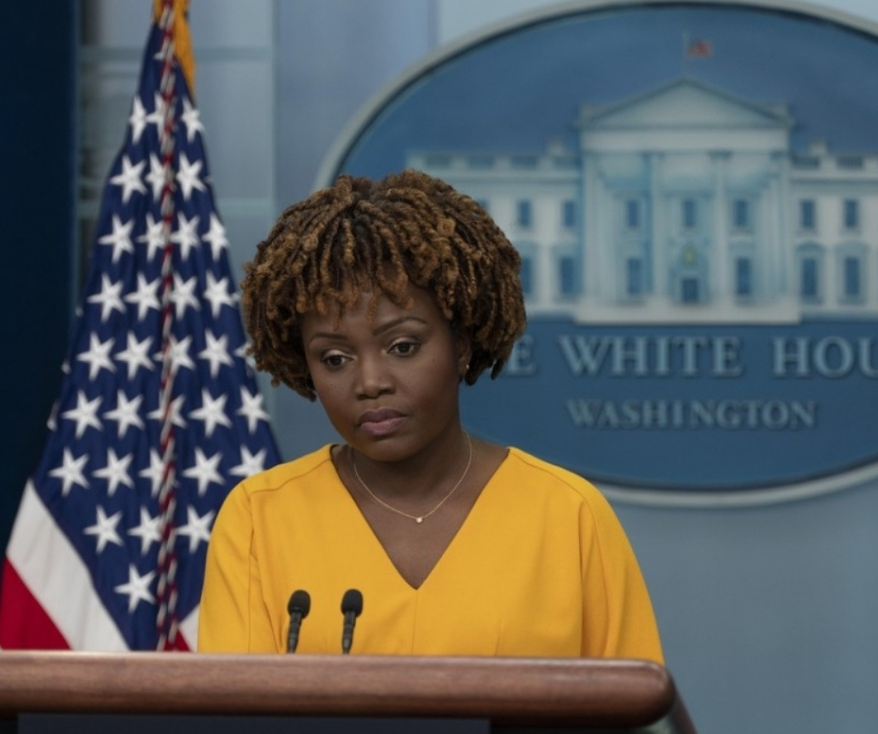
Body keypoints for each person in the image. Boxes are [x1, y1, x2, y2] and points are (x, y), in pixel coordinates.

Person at [198, 170, 662, 662]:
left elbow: (634, 707)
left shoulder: (569, 517)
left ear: (460, 345)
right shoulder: (260, 519)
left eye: (403, 346)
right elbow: (232, 711)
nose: (370, 382)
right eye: (334, 358)